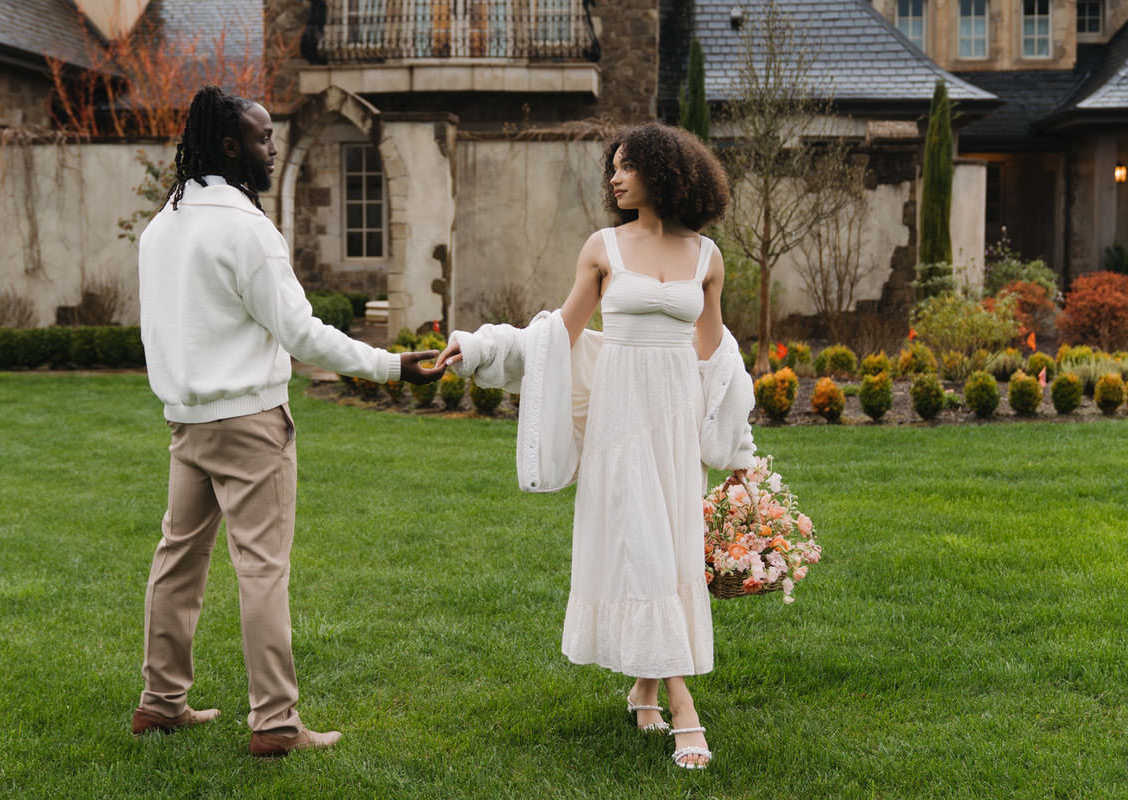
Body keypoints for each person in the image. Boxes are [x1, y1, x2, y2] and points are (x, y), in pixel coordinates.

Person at [132, 85, 445, 756]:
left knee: (177, 561)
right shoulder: (247, 229)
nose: (271, 149)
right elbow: (303, 336)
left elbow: (156, 331)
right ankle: (275, 722)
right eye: (262, 137)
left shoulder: (162, 227)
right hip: (249, 426)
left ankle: (160, 703)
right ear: (229, 146)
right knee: (261, 570)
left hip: (187, 426)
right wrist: (394, 367)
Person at [439, 122, 752, 771]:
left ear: (663, 172)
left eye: (627, 165)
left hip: (674, 424)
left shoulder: (706, 257)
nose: (614, 177)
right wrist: (480, 349)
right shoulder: (602, 247)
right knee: (640, 546)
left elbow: (715, 354)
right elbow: (556, 335)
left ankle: (643, 685)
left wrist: (736, 444)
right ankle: (683, 708)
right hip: (619, 419)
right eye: (612, 166)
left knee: (666, 551)